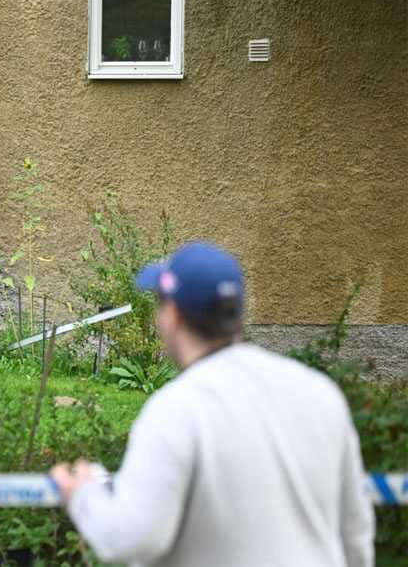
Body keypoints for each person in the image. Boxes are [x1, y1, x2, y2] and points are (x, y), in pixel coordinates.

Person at [50, 242, 374, 567]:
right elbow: (355, 532)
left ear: (172, 315)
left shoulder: (177, 410)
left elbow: (133, 537)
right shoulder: (320, 393)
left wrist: (84, 495)